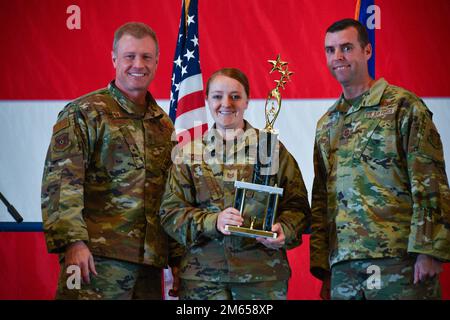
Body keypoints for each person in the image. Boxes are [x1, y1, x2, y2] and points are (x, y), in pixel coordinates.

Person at [310, 18, 450, 300]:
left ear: (367, 51)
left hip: (400, 261)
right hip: (344, 266)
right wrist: (323, 266)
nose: (338, 57)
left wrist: (429, 250)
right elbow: (322, 199)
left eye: (347, 48)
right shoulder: (327, 123)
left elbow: (430, 181)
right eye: (330, 50)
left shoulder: (403, 107)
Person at [41, 22, 182, 299]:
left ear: (157, 62)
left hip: (149, 267)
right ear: (115, 58)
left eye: (146, 57)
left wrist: (176, 259)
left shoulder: (163, 125)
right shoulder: (84, 113)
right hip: (95, 261)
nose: (138, 64)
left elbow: (171, 195)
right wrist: (73, 243)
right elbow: (61, 183)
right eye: (130, 56)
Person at [159, 68, 311, 300]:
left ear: (248, 101)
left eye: (235, 96)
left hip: (261, 278)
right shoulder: (187, 154)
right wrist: (214, 221)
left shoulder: (272, 150)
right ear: (207, 100)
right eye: (217, 96)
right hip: (203, 280)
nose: (226, 103)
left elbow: (298, 208)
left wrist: (284, 230)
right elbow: (170, 214)